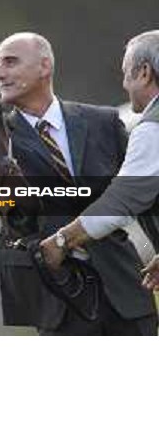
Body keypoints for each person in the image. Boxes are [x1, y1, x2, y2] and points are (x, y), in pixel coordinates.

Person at [0, 32, 157, 335]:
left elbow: (142, 195)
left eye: (10, 62)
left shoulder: (103, 122)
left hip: (125, 288)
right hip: (55, 300)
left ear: (44, 66)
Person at [40, 31, 159, 295]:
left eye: (126, 73)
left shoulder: (152, 128)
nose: (125, 84)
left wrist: (63, 240)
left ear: (144, 73)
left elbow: (124, 199)